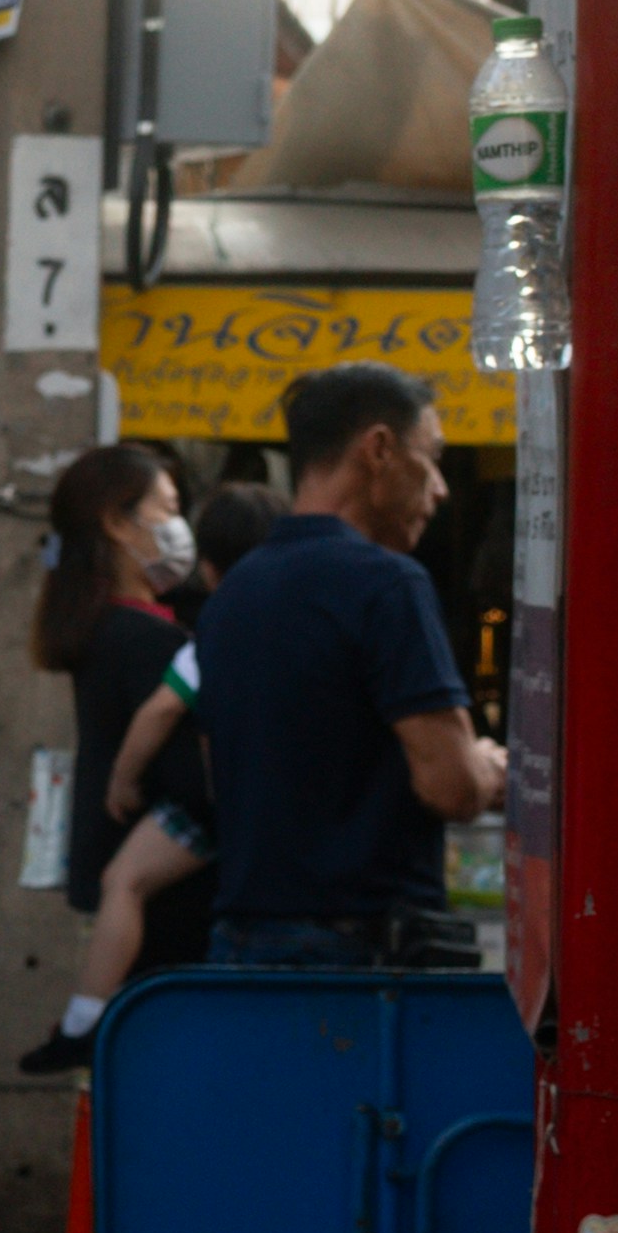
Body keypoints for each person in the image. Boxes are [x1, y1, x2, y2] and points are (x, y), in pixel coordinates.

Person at [191, 363, 502, 965]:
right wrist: (486, 766)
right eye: (430, 458)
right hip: (359, 962)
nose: (439, 488)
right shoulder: (388, 585)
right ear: (379, 449)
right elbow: (453, 788)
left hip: (241, 949)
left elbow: (219, 774)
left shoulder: (234, 593)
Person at [31, 477, 289, 1054]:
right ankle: (84, 1019)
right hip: (221, 853)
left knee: (125, 882)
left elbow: (162, 711)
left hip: (176, 841)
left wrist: (124, 778)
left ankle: (83, 1017)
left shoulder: (200, 635)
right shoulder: (183, 635)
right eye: (169, 508)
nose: (180, 528)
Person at [11, 446, 189, 1079]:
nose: (178, 524)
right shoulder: (143, 639)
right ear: (119, 523)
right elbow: (181, 765)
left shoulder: (109, 631)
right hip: (170, 914)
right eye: (167, 508)